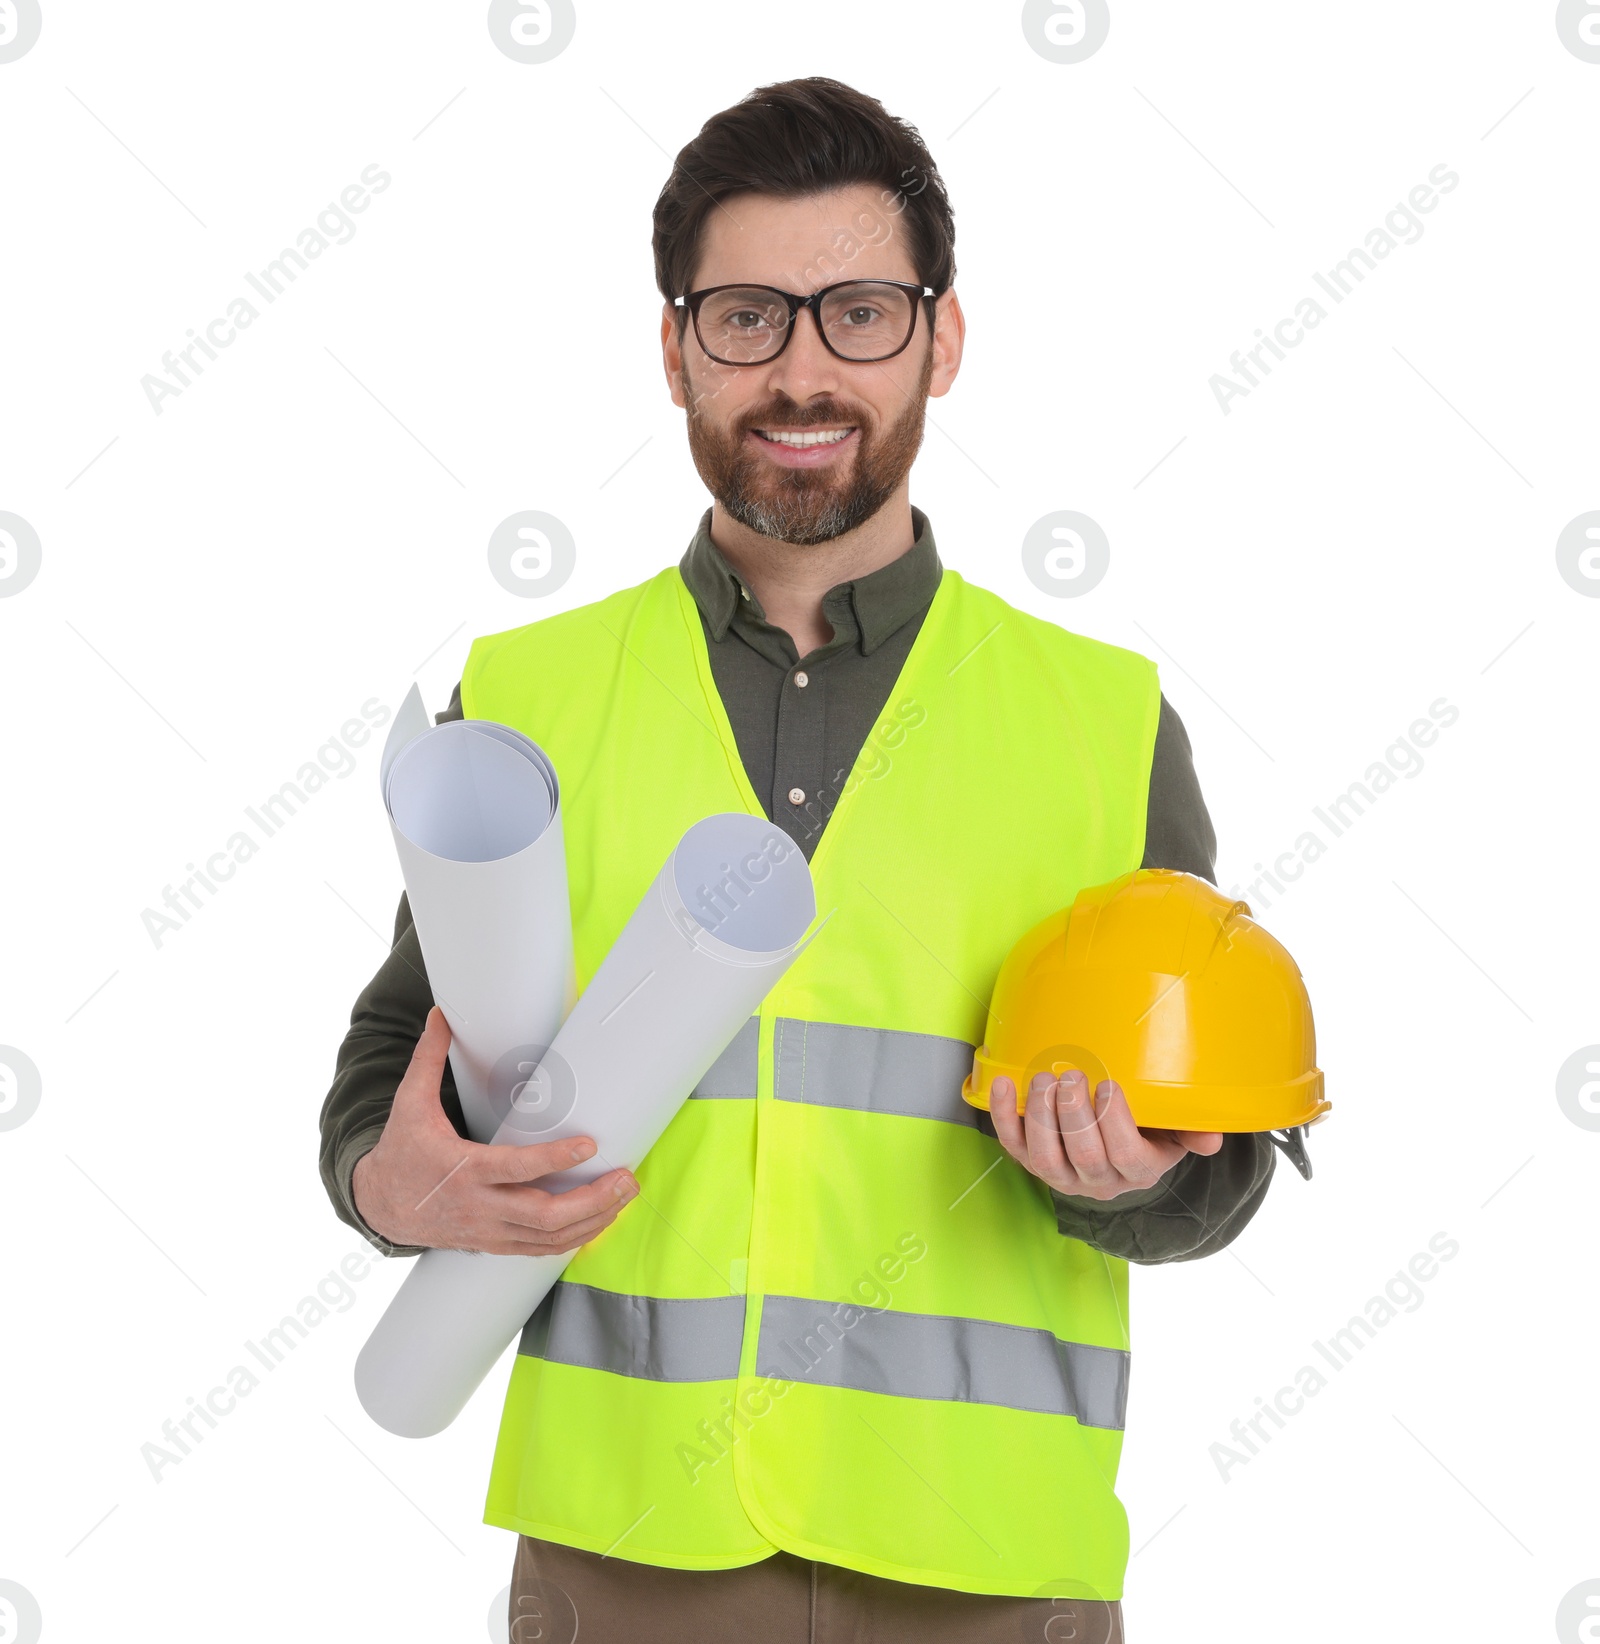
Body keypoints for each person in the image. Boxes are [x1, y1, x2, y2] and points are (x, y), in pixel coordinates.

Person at [320, 76, 1277, 1644]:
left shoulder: (1104, 722)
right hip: (628, 1555)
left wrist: (1143, 1181)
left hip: (986, 1569)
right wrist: (386, 1179)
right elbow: (389, 1060)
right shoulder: (526, 698)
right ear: (678, 347)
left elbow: (1218, 1154)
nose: (803, 369)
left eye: (858, 313)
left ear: (941, 341)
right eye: (749, 316)